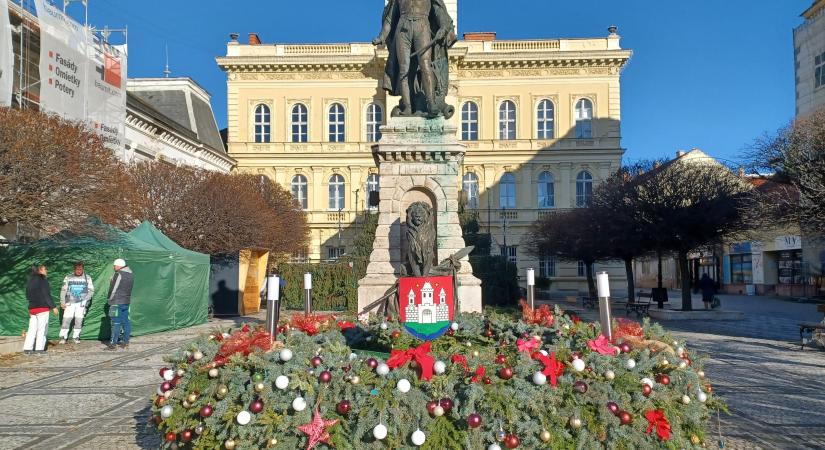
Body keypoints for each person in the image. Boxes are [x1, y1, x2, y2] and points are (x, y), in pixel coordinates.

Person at [22, 264, 58, 354]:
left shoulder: (30, 281)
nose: (46, 271)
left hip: (32, 308)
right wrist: (53, 306)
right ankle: (39, 349)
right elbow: (46, 294)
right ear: (40, 270)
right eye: (45, 269)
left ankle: (27, 349)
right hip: (42, 308)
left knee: (32, 329)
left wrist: (31, 305)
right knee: (42, 329)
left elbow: (27, 295)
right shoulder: (43, 281)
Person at [58, 261, 94, 344]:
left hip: (81, 304)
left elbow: (91, 291)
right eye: (77, 269)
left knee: (79, 320)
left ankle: (76, 337)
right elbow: (63, 290)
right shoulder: (68, 277)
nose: (79, 271)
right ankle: (63, 337)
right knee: (66, 320)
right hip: (69, 303)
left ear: (83, 269)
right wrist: (62, 301)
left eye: (80, 269)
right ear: (74, 269)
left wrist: (85, 300)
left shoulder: (88, 278)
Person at [106, 258, 133, 350]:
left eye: (114, 266)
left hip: (116, 302)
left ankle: (113, 344)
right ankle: (126, 342)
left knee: (115, 323)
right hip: (126, 301)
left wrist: (109, 299)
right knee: (126, 322)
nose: (114, 267)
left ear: (118, 266)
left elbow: (113, 289)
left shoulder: (118, 274)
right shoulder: (131, 274)